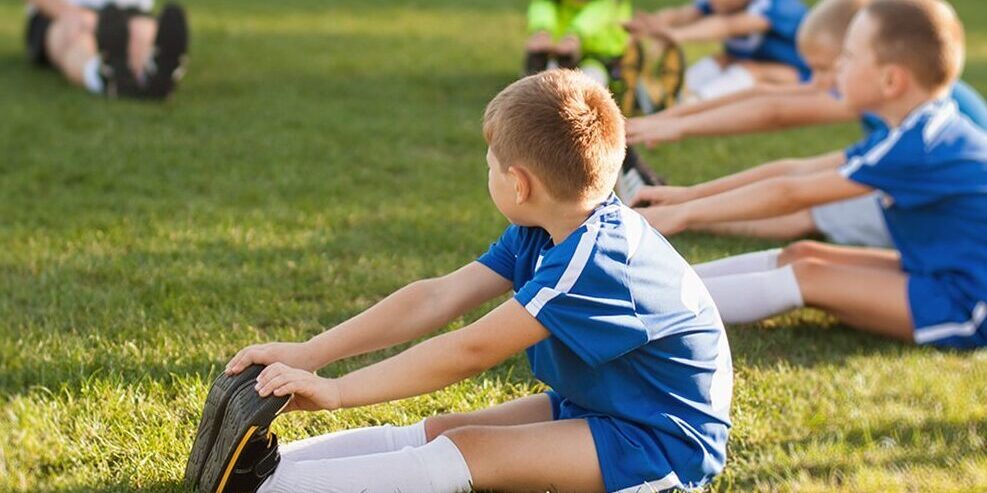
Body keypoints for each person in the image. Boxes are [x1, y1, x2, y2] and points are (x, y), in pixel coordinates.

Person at [184, 70, 733, 493]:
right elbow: (438, 296)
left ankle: (270, 488)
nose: (487, 171)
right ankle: (271, 471)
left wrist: (338, 392)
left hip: (661, 444)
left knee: (472, 449)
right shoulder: (552, 224)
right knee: (448, 428)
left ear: (518, 184)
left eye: (490, 163)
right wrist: (312, 353)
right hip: (604, 404)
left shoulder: (595, 263)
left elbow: (469, 349)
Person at [636, 0, 987, 349]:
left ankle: (644, 309)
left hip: (969, 303)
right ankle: (644, 290)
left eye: (848, 57)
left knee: (809, 276)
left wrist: (682, 215)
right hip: (939, 272)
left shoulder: (918, 144)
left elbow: (791, 193)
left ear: (891, 80)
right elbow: (797, 171)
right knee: (801, 254)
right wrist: (685, 197)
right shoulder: (913, 128)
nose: (838, 67)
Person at [628, 0, 987, 247]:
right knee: (807, 189)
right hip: (928, 194)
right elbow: (767, 104)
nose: (813, 83)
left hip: (955, 219)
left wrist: (687, 203)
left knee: (811, 212)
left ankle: (673, 214)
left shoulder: (901, 100)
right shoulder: (895, 93)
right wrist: (668, 122)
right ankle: (672, 207)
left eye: (825, 68)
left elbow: (774, 113)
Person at [626, 0, 810, 100]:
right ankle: (674, 93)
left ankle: (696, 103)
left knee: (751, 69)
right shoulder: (718, 4)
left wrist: (679, 35)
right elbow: (682, 14)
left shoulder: (778, 6)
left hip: (806, 77)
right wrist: (652, 23)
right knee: (721, 59)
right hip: (758, 64)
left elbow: (728, 26)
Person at [25, 0, 187, 99]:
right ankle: (101, 76)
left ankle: (151, 78)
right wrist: (70, 13)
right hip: (64, 11)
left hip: (127, 10)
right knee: (77, 39)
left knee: (143, 31)